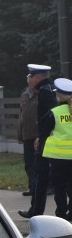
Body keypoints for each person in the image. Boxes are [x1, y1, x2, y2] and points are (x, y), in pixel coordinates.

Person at [18, 64, 57, 219]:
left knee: (45, 176)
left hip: (47, 141)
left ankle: (38, 211)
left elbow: (49, 118)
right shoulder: (45, 90)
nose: (29, 80)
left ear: (39, 77)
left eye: (31, 77)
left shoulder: (46, 93)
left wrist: (41, 137)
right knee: (42, 175)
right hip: (46, 140)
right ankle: (36, 210)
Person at [41, 77, 72, 219]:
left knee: (59, 187)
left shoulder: (55, 112)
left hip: (59, 158)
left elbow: (43, 130)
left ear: (59, 95)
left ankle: (61, 213)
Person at [18, 78, 39, 196]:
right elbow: (21, 116)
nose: (30, 83)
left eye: (32, 80)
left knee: (40, 164)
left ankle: (44, 187)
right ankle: (32, 187)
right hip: (27, 135)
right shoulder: (24, 95)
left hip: (38, 135)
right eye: (29, 81)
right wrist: (20, 133)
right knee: (28, 163)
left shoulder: (41, 95)